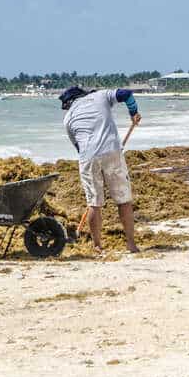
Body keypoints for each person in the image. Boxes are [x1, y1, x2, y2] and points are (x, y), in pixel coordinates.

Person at [60, 86, 141, 254]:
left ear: (69, 103)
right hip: (111, 150)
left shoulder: (67, 119)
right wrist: (133, 113)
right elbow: (126, 94)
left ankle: (97, 246)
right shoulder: (101, 96)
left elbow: (79, 147)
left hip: (88, 156)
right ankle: (131, 245)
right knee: (123, 200)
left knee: (94, 203)